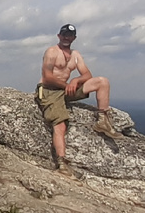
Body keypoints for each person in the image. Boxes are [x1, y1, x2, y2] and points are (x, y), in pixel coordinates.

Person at [36, 23, 122, 178]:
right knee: (60, 124)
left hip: (66, 88)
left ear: (74, 38)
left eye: (69, 36)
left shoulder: (75, 55)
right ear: (59, 36)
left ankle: (103, 120)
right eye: (64, 35)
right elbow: (48, 77)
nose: (66, 38)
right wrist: (67, 84)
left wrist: (76, 80)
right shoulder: (52, 52)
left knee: (102, 82)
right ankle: (62, 164)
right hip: (49, 91)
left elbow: (87, 74)